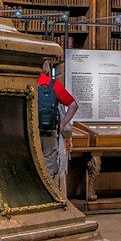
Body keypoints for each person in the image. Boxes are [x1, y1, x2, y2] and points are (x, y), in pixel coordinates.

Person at [38, 56, 78, 188]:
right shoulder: (53, 84)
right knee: (49, 163)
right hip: (50, 132)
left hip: (31, 132)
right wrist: (61, 125)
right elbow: (73, 105)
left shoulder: (29, 82)